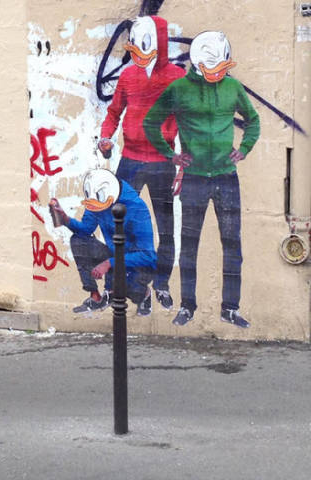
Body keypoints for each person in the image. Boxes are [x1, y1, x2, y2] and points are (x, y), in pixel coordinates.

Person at [143, 31, 260, 328]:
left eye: (223, 68)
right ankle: (187, 306)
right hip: (194, 179)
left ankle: (230, 308)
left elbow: (253, 120)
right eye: (213, 68)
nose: (219, 73)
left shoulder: (233, 87)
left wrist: (244, 149)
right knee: (189, 246)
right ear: (197, 63)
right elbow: (151, 121)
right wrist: (170, 154)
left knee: (233, 245)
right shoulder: (179, 89)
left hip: (227, 179)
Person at [98, 15, 185, 311]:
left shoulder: (176, 77)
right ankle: (120, 286)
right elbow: (113, 113)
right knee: (116, 225)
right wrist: (105, 137)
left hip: (162, 162)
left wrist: (184, 166)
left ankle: (161, 284)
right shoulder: (128, 76)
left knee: (165, 229)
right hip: (131, 159)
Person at [51, 168, 157, 315]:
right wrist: (66, 219)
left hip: (136, 266)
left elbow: (148, 257)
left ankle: (143, 294)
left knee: (126, 285)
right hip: (113, 256)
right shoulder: (97, 200)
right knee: (78, 240)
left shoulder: (137, 208)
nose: (99, 210)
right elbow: (86, 229)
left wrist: (108, 263)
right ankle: (96, 296)